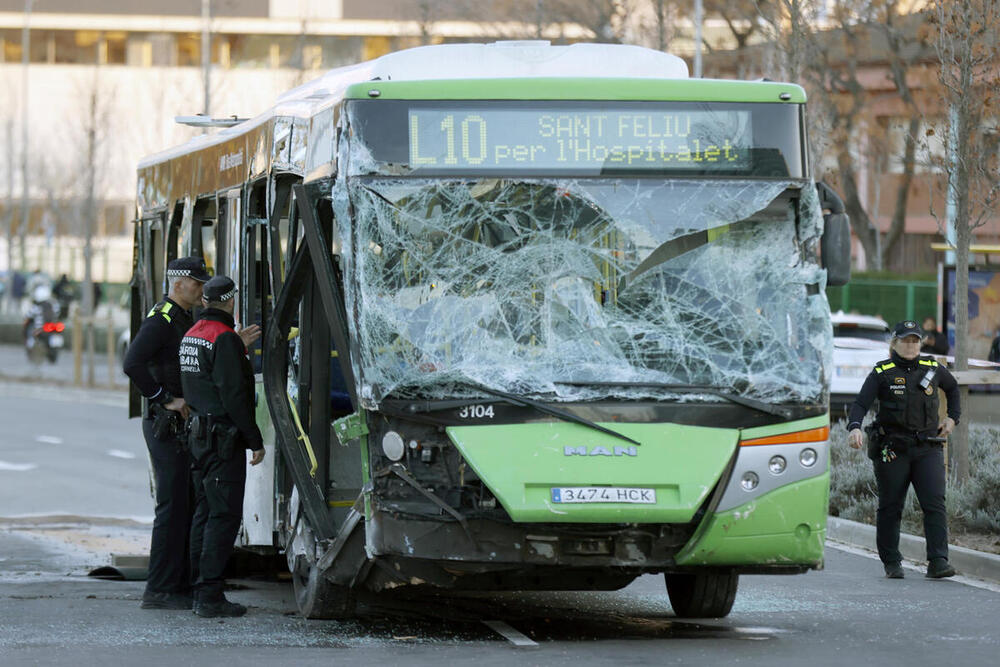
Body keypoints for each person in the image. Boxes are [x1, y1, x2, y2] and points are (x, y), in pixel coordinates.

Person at [123, 256, 211, 609]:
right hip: (163, 424)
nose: (202, 289)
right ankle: (159, 590)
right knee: (171, 505)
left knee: (182, 504)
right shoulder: (161, 320)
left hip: (176, 425)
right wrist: (164, 399)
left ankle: (178, 585)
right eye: (198, 284)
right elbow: (132, 363)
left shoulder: (182, 317)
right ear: (179, 285)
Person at [846, 320, 961, 580]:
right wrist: (854, 427)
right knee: (890, 506)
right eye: (906, 340)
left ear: (921, 343)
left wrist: (952, 418)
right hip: (893, 449)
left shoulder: (932, 367)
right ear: (895, 343)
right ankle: (892, 561)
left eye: (915, 340)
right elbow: (861, 403)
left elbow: (953, 390)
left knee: (934, 503)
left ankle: (938, 561)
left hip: (927, 447)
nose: (911, 345)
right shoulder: (883, 371)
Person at [181, 275, 264, 618]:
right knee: (223, 517)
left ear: (205, 302)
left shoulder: (191, 335)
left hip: (198, 437)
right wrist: (254, 440)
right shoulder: (225, 338)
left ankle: (198, 590)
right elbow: (234, 395)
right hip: (223, 440)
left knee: (203, 513)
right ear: (232, 301)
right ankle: (211, 596)